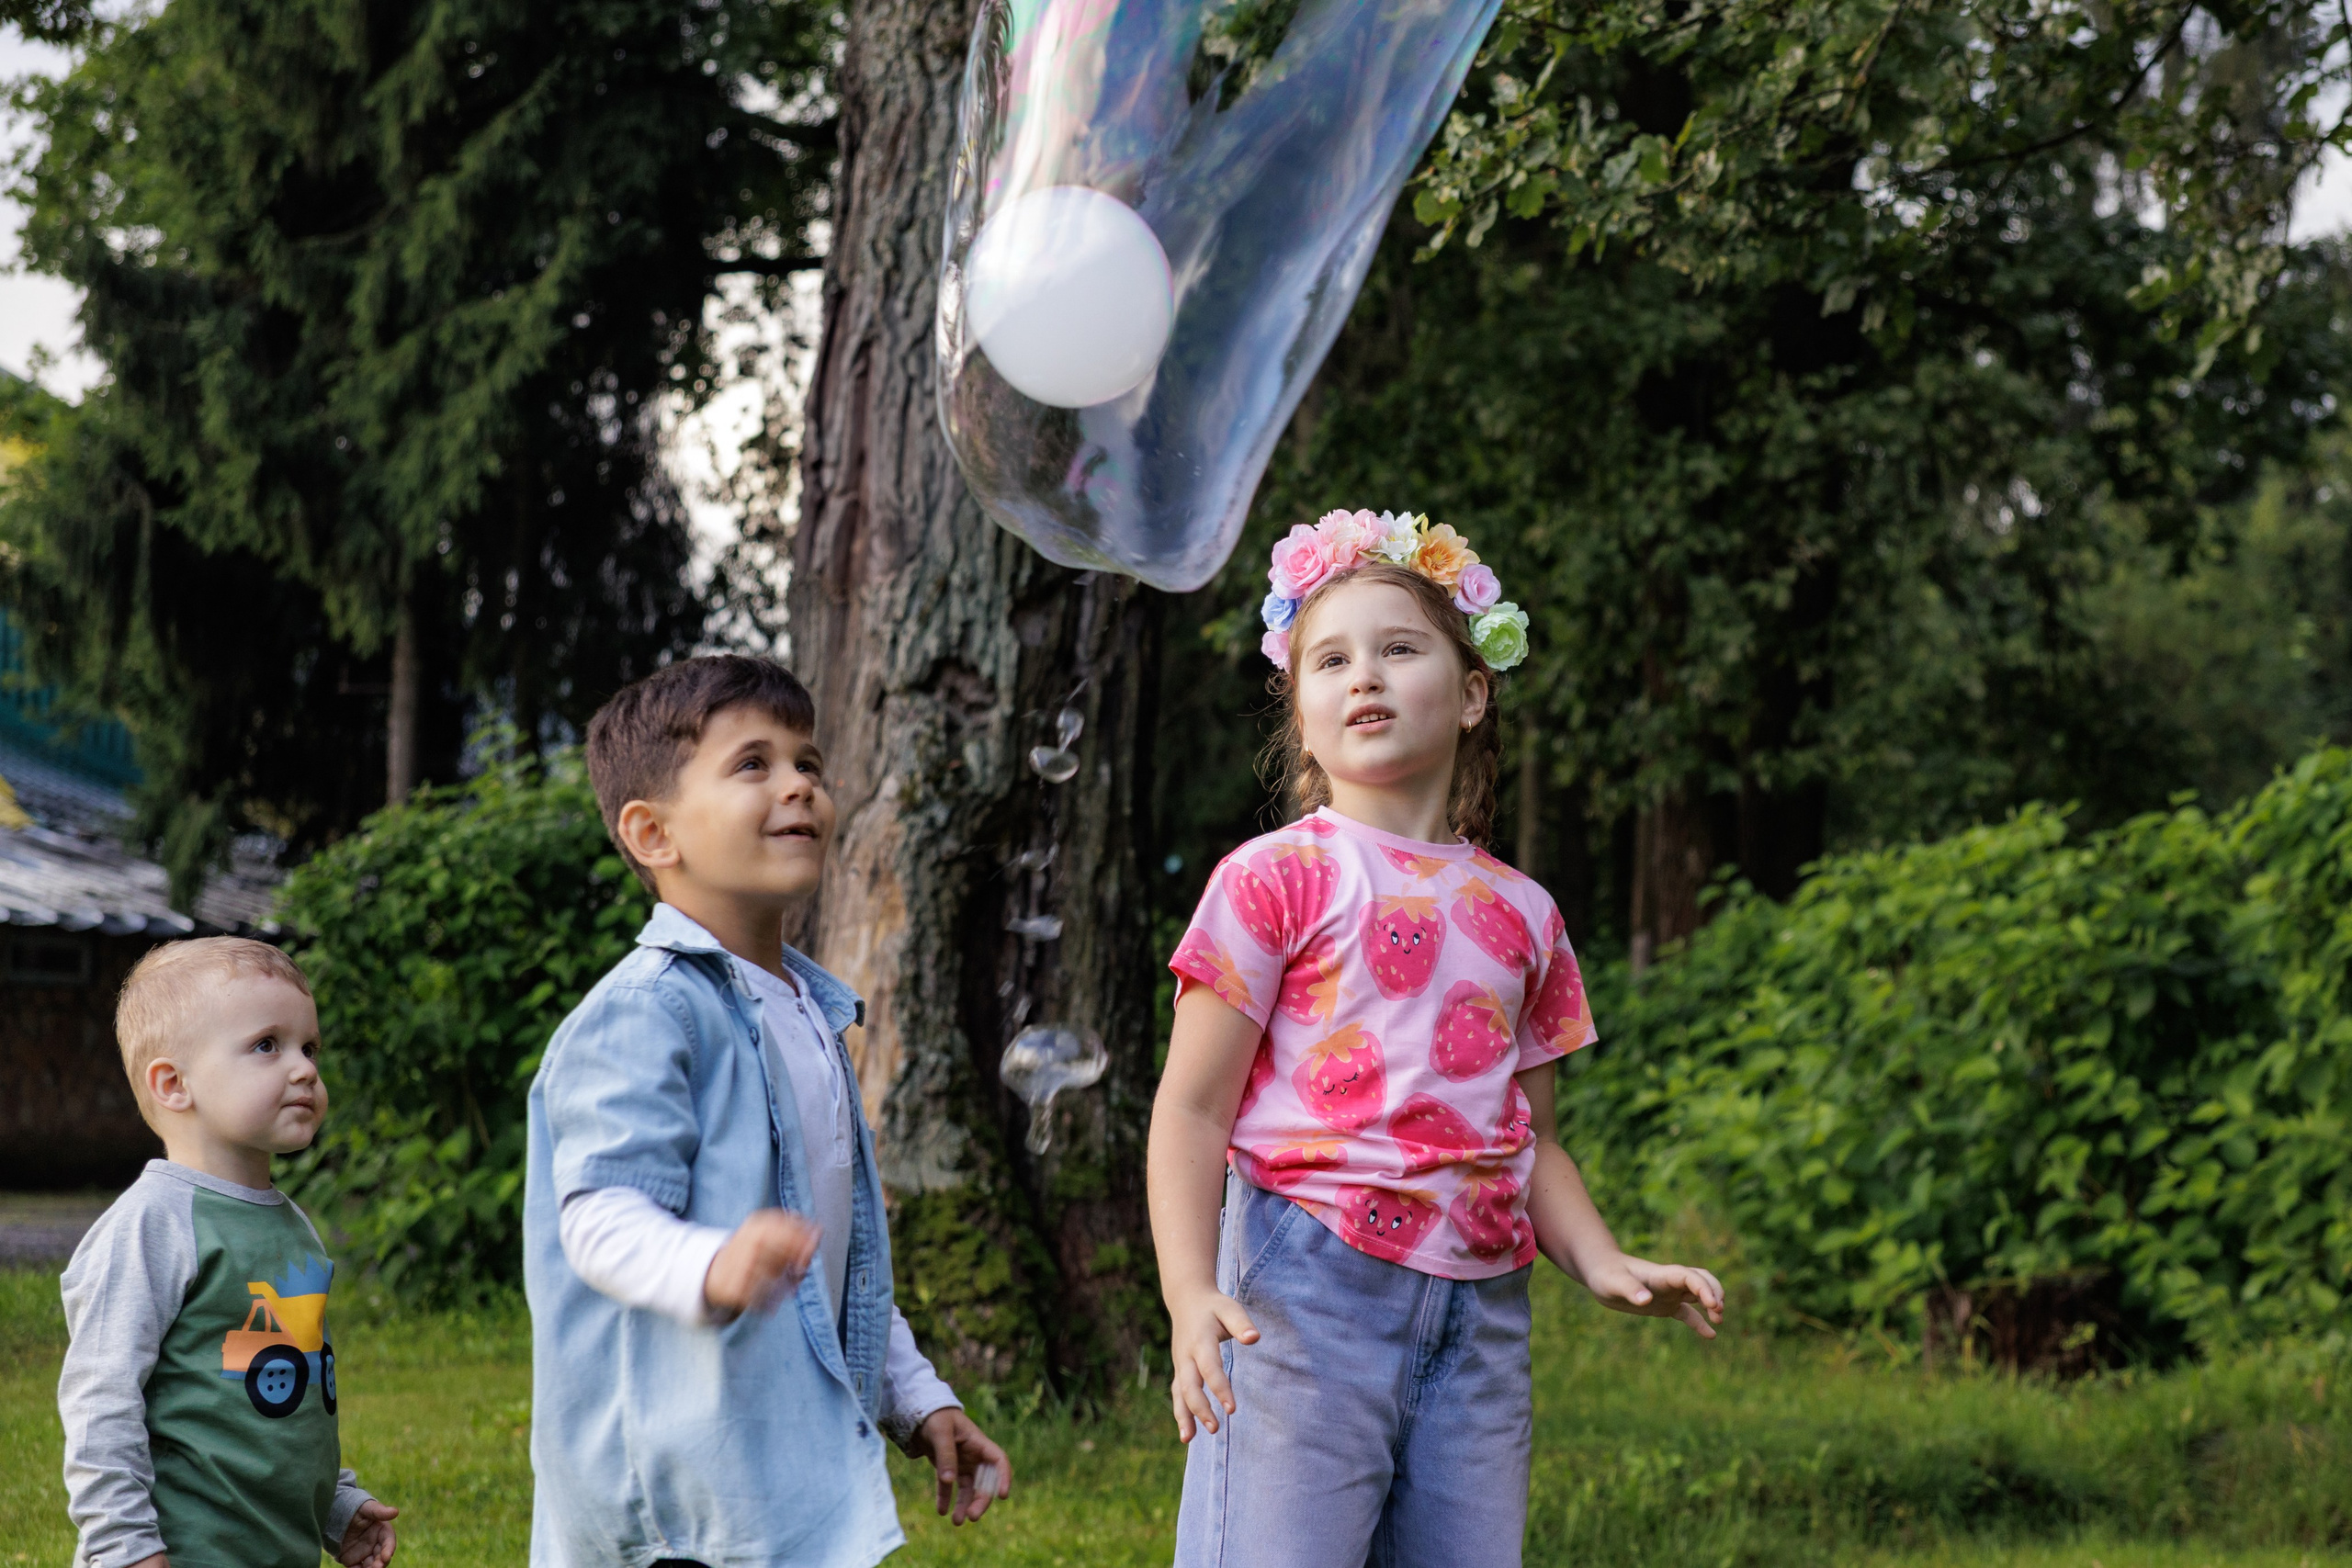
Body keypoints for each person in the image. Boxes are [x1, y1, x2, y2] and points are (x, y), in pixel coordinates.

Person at [1149, 510, 1727, 1568]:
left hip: (1481, 1324)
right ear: (1302, 714)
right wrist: (1190, 1293)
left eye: (1399, 648)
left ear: (1470, 694)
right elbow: (1190, 1109)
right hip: (1303, 1295)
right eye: (1331, 660)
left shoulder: (1525, 913)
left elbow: (1535, 1142)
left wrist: (1601, 1260)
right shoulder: (1273, 879)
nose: (1364, 675)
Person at [526, 654, 1012, 1568]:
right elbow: (597, 1217)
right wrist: (713, 1261)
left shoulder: (807, 1012)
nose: (798, 785)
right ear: (653, 833)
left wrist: (918, 1399)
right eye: (753, 763)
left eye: (808, 763)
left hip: (772, 1485)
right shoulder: (647, 1012)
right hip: (673, 1506)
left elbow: (841, 1264)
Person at [58, 938, 399, 1568]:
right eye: (267, 1045)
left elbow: (287, 1404)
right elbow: (100, 1398)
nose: (304, 1069)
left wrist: (336, 1506)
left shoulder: (292, 1224)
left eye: (309, 1048)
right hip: (183, 1551)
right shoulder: (153, 1225)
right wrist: (122, 1544)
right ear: (174, 1084)